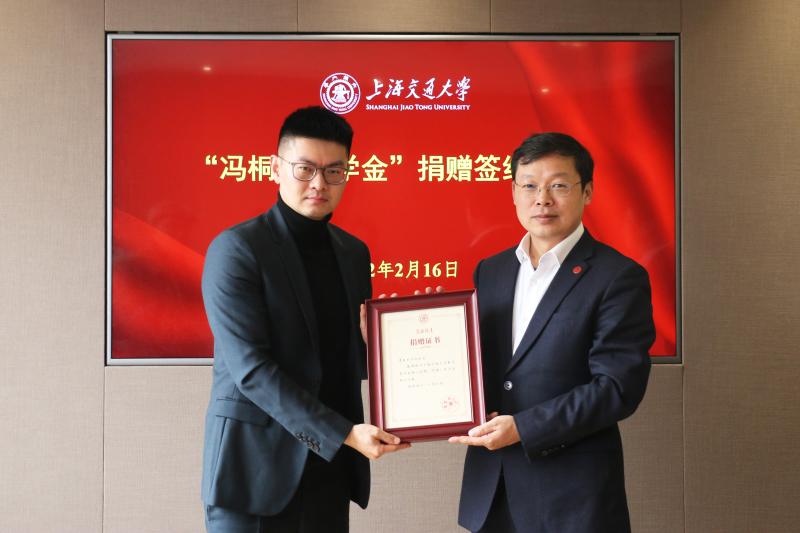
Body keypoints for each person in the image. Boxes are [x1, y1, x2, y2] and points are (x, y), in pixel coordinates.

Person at [200, 106, 409, 533]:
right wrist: (344, 434)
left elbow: (341, 360)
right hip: (253, 471)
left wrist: (379, 342)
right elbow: (251, 370)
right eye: (305, 169)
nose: (319, 183)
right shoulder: (237, 249)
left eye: (334, 171)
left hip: (328, 471)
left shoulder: (353, 253)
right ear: (276, 168)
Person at [449, 132, 655, 533]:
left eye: (559, 186)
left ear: (587, 192)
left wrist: (524, 428)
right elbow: (477, 365)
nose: (542, 199)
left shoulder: (618, 277)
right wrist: (394, 342)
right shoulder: (491, 271)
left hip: (572, 499)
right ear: (513, 192)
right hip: (492, 492)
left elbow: (617, 388)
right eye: (529, 186)